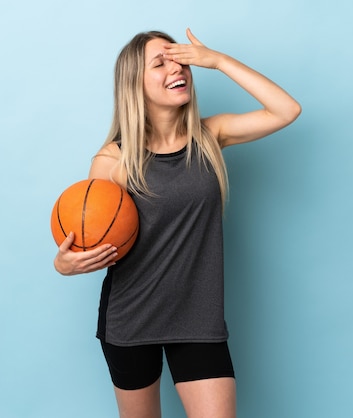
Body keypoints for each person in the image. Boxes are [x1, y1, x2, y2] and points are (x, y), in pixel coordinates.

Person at [53, 28, 300, 418]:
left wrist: (218, 60)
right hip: (132, 317)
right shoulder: (113, 160)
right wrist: (64, 263)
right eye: (160, 62)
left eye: (179, 59)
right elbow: (88, 236)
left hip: (198, 318)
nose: (176, 67)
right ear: (135, 83)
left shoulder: (209, 135)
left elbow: (286, 110)